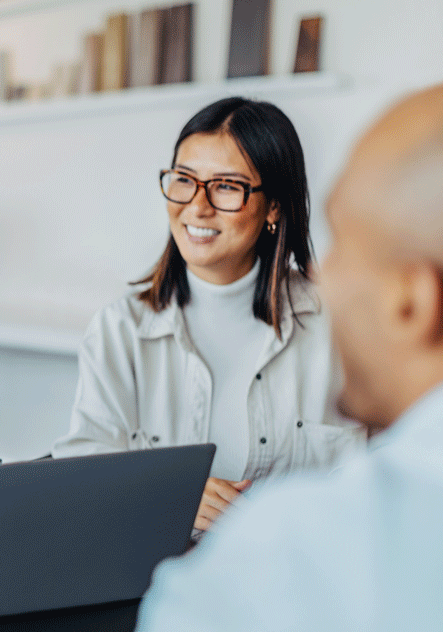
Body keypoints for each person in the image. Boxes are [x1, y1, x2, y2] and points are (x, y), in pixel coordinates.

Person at [0, 77, 443, 632]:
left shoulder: (294, 551)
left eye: (346, 245)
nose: (325, 278)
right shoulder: (122, 326)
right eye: (183, 180)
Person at [53, 97, 364, 533]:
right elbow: (77, 479)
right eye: (184, 180)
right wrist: (168, 493)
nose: (197, 206)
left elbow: (387, 469)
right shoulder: (119, 329)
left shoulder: (339, 322)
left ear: (273, 205)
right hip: (160, 580)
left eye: (226, 186)